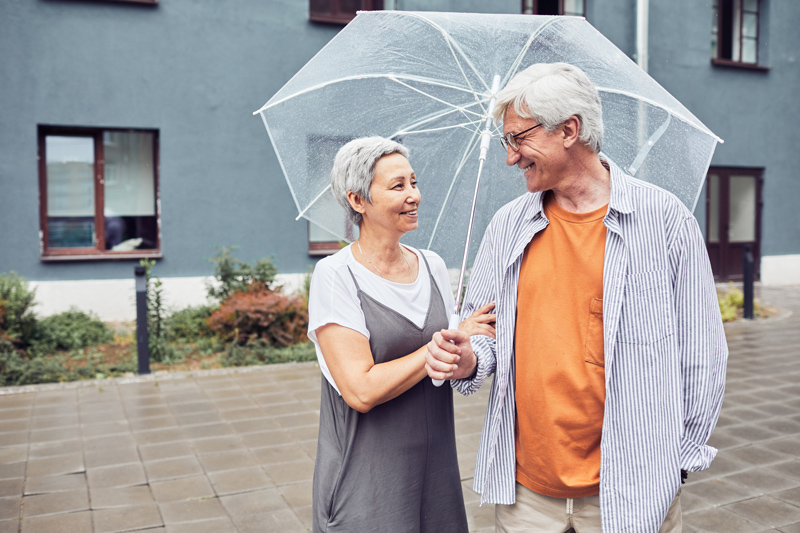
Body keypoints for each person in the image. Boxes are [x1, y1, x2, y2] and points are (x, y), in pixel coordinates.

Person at [425, 63, 728, 532]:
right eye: (506, 142)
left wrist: (680, 460)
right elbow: (482, 329)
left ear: (569, 129)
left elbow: (702, 352)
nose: (511, 158)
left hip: (632, 490)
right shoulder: (508, 225)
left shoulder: (664, 221)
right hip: (528, 493)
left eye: (518, 139)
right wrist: (468, 359)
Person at [307, 136, 495, 532]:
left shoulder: (433, 265)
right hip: (367, 484)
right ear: (358, 200)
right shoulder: (336, 275)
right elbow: (361, 390)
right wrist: (438, 345)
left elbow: (448, 366)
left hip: (436, 475)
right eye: (397, 186)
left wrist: (465, 355)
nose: (414, 195)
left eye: (414, 182)